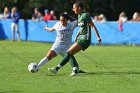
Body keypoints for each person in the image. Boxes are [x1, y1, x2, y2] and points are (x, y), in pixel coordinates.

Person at [48, 1, 101, 76]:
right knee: (69, 53)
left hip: (85, 39)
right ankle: (75, 69)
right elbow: (82, 28)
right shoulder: (79, 16)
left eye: (74, 8)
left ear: (79, 8)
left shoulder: (85, 15)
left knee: (68, 52)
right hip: (81, 38)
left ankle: (57, 69)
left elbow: (93, 26)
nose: (73, 9)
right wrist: (77, 36)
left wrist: (98, 37)